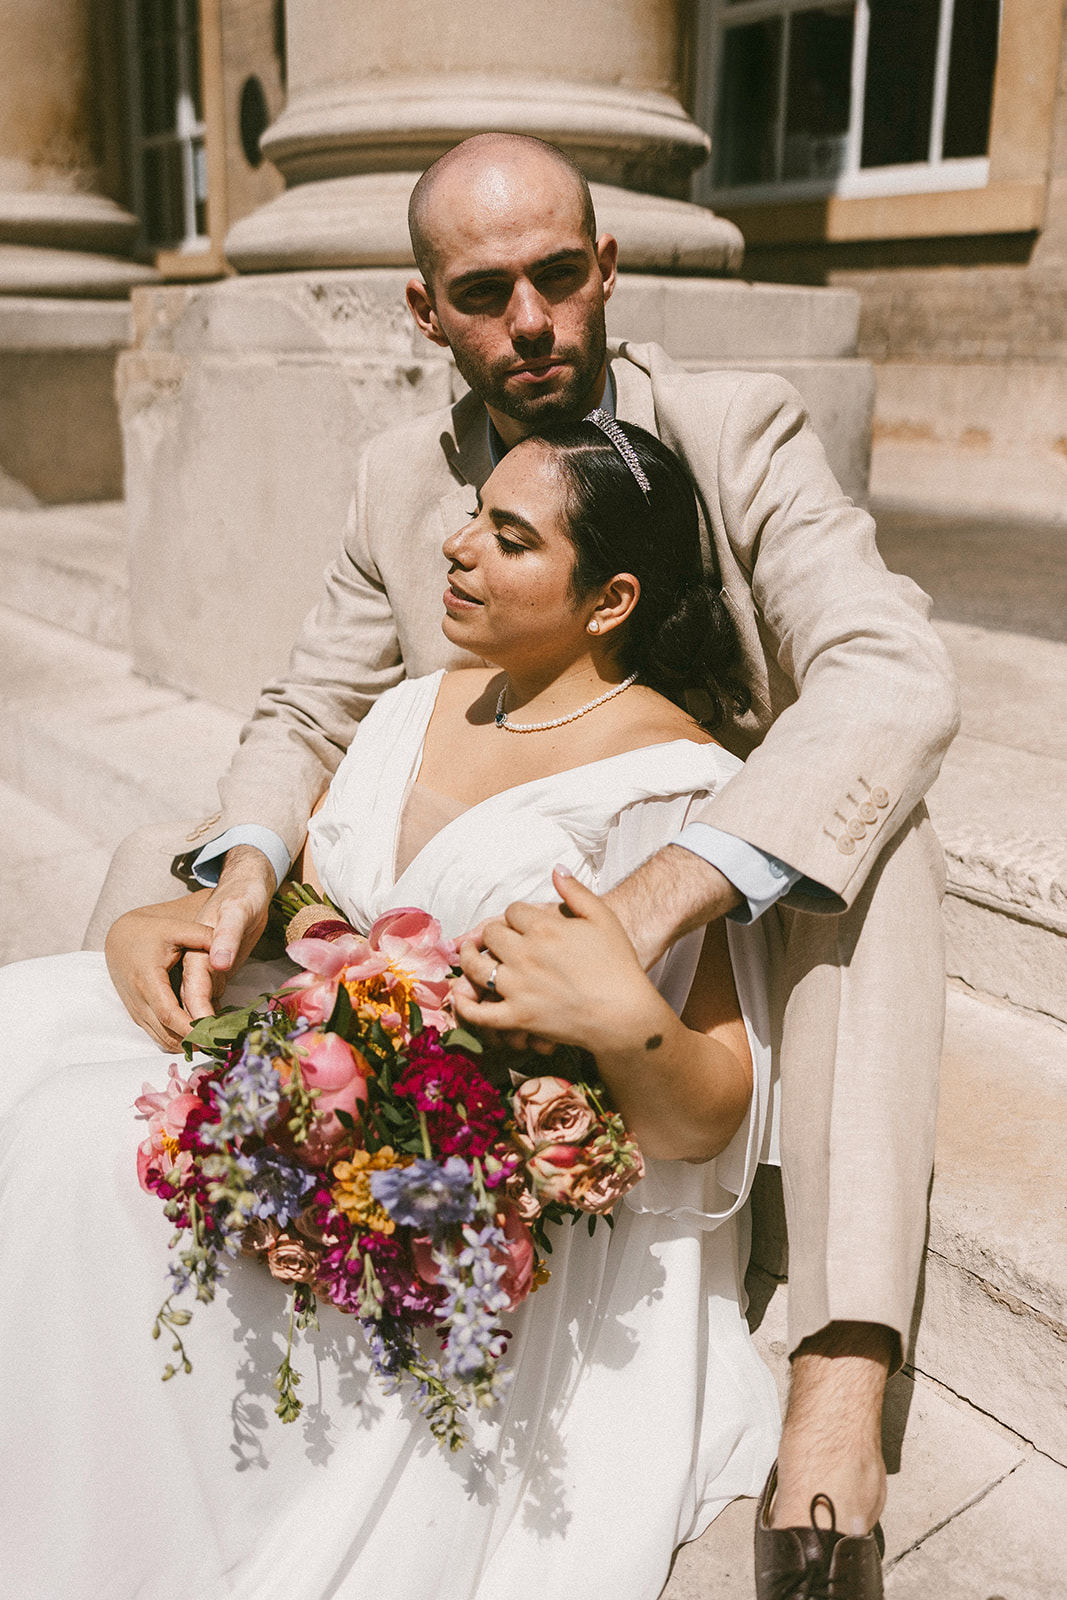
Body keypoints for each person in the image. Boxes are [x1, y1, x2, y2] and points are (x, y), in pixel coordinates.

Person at [96, 133, 959, 1599]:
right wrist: (244, 872)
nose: (533, 321)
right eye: (485, 292)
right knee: (159, 861)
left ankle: (839, 1360)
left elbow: (887, 674)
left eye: (559, 276)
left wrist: (652, 896)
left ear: (605, 266)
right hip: (488, 871)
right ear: (426, 312)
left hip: (713, 857)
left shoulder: (734, 422)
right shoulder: (395, 480)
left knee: (888, 838)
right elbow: (307, 707)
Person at [0, 417, 782, 1600]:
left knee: (87, 1159)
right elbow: (325, 896)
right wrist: (165, 925)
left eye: (507, 538)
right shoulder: (422, 703)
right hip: (312, 1058)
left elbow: (707, 1112)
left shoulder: (674, 787)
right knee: (25, 1037)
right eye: (473, 517)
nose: (456, 548)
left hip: (452, 1176)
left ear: (609, 599)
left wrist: (621, 1014)